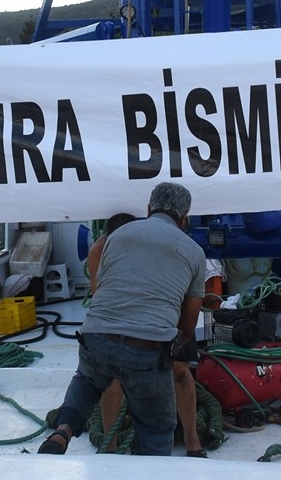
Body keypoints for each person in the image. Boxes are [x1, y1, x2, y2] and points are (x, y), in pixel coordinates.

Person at [38, 182, 206, 457]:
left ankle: (63, 430)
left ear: (149, 209)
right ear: (185, 217)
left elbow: (102, 287)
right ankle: (146, 478)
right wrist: (167, 352)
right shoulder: (194, 252)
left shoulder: (117, 235)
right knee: (156, 426)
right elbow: (187, 325)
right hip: (148, 348)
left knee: (88, 380)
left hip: (95, 336)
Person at [89, 213, 207, 457]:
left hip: (168, 306)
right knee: (111, 377)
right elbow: (99, 297)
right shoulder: (100, 251)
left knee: (180, 369)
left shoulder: (169, 244)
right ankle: (109, 449)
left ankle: (191, 439)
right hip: (121, 314)